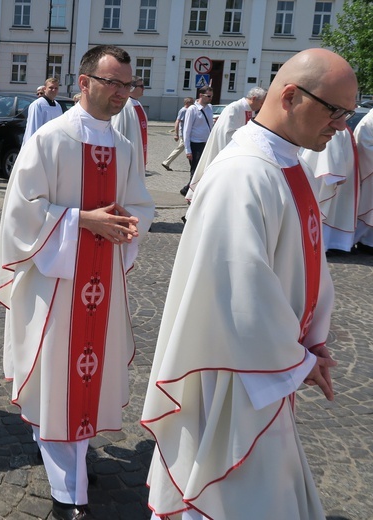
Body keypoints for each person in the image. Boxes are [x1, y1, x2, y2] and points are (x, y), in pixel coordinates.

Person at [141, 48, 355, 520]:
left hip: (267, 369)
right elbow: (239, 294)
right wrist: (298, 357)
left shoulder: (288, 162)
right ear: (292, 96)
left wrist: (310, 341)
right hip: (233, 377)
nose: (342, 125)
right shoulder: (244, 172)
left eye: (349, 113)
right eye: (335, 110)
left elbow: (303, 262)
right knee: (229, 496)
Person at [0, 45, 154, 520]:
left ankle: (78, 455)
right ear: (84, 82)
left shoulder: (124, 148)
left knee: (89, 374)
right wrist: (83, 219)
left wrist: (126, 223)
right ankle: (68, 491)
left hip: (102, 284)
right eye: (113, 83)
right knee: (59, 379)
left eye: (127, 84)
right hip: (58, 285)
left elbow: (141, 207)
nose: (122, 93)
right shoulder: (50, 139)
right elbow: (21, 212)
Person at [187, 86, 267, 199]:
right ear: (254, 98)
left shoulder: (249, 110)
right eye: (261, 103)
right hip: (226, 153)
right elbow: (225, 134)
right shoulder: (234, 108)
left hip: (241, 153)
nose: (262, 106)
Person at [301, 127, 359, 253]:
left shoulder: (339, 127)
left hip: (342, 178)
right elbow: (329, 152)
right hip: (330, 178)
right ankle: (325, 244)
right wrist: (336, 173)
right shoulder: (334, 129)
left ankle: (334, 243)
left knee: (336, 213)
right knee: (328, 211)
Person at [180, 86, 213, 195]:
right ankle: (189, 192)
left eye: (211, 96)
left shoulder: (210, 108)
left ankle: (189, 190)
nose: (210, 98)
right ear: (201, 95)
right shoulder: (192, 109)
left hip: (206, 143)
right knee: (195, 170)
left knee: (204, 169)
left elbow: (210, 126)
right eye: (208, 96)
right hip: (195, 144)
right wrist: (187, 149)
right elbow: (186, 130)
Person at [111, 76, 148, 174]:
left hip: (136, 154)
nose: (144, 88)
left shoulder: (137, 104)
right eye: (141, 86)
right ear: (132, 87)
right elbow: (117, 130)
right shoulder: (124, 105)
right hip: (127, 157)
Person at [353, 109, 373, 253]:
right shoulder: (369, 121)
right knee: (368, 208)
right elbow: (364, 145)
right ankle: (364, 241)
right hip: (370, 173)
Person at [22, 77, 63, 145]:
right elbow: (33, 128)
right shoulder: (37, 105)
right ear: (45, 89)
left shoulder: (57, 105)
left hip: (53, 143)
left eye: (56, 88)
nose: (53, 90)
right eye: (51, 88)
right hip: (41, 143)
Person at [161, 97, 193, 171]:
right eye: (191, 102)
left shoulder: (188, 110)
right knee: (181, 149)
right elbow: (177, 121)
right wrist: (176, 134)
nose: (193, 104)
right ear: (187, 103)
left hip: (187, 133)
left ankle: (167, 162)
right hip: (184, 134)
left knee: (188, 149)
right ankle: (166, 162)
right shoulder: (183, 111)